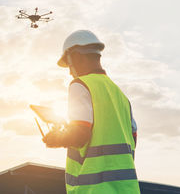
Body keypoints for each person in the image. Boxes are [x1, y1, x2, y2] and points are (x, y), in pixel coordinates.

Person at [42, 30, 140, 194]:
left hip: (94, 189)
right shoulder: (121, 96)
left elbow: (81, 134)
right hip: (127, 189)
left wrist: (56, 139)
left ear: (77, 56)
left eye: (69, 64)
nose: (70, 71)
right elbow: (131, 141)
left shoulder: (80, 85)